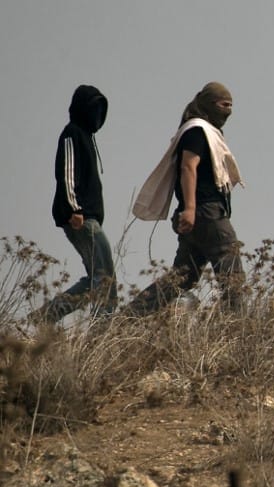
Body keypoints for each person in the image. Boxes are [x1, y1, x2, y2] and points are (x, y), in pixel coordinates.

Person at [126, 82, 244, 315]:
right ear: (209, 104)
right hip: (206, 213)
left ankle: (127, 318)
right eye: (223, 105)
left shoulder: (202, 130)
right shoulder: (197, 130)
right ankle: (240, 332)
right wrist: (190, 208)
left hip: (200, 215)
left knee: (182, 278)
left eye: (231, 106)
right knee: (233, 276)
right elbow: (188, 167)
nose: (228, 111)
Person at [31, 85, 117, 324]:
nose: (97, 114)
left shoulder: (87, 137)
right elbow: (66, 173)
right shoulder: (72, 133)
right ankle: (103, 331)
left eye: (101, 109)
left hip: (89, 218)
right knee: (105, 277)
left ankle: (48, 315)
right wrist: (74, 209)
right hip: (81, 218)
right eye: (94, 108)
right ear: (82, 109)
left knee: (96, 279)